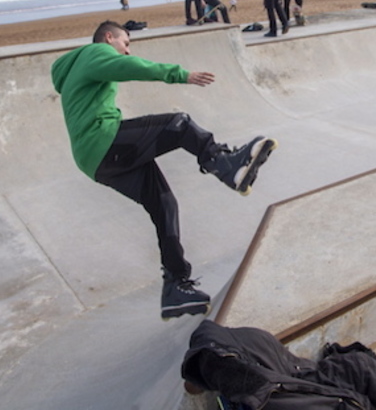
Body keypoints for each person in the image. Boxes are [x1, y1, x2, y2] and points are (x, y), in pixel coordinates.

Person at [51, 21, 277, 319]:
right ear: (109, 37)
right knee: (179, 125)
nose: (126, 48)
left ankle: (175, 287)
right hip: (102, 141)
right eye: (125, 42)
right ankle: (224, 164)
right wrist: (179, 75)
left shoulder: (77, 69)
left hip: (96, 162)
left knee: (164, 204)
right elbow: (131, 66)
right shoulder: (94, 52)